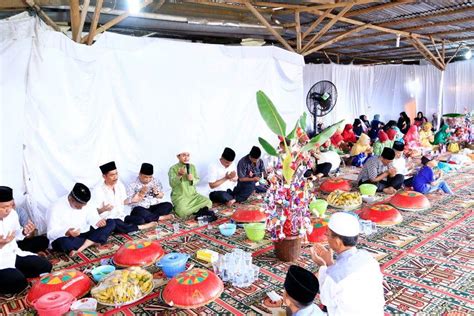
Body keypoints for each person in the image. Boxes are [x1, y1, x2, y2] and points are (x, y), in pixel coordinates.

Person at [310, 212, 384, 315]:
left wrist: (322, 266)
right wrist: (329, 263)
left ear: (337, 241)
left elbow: (326, 299)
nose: (326, 237)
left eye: (328, 234)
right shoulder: (368, 257)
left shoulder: (333, 275)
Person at [0, 186, 52, 294]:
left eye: (11, 205)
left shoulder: (12, 214)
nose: (8, 209)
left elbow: (17, 234)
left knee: (46, 266)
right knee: (19, 282)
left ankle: (15, 272)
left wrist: (24, 232)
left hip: (13, 254)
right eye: (5, 207)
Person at [47, 183, 116, 256]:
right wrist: (67, 232)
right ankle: (92, 241)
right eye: (78, 206)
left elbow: (92, 216)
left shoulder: (86, 203)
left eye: (83, 206)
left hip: (85, 232)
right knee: (64, 243)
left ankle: (84, 245)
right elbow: (50, 234)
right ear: (71, 199)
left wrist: (98, 221)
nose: (81, 208)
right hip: (68, 237)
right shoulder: (55, 207)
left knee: (111, 222)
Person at [94, 161, 159, 235]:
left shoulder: (119, 185)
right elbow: (94, 212)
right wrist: (103, 209)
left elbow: (123, 202)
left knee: (140, 220)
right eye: (112, 175)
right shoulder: (98, 190)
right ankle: (141, 227)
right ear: (104, 176)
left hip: (121, 216)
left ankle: (129, 227)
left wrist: (133, 200)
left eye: (116, 174)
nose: (115, 177)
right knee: (115, 223)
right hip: (109, 219)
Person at [168, 150, 214, 220]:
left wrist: (192, 180)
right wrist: (179, 175)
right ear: (178, 156)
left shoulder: (192, 167)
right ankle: (200, 212)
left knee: (208, 202)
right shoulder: (173, 168)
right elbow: (172, 184)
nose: (186, 158)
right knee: (182, 211)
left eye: (188, 155)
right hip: (181, 197)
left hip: (193, 196)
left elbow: (197, 179)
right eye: (183, 155)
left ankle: (196, 213)